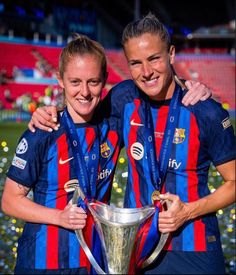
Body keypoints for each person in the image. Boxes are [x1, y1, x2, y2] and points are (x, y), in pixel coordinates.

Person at [29, 13, 236, 275]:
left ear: (171, 54)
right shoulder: (123, 98)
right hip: (138, 249)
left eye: (154, 59)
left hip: (195, 251)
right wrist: (49, 112)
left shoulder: (205, 111)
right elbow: (81, 111)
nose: (146, 72)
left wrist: (188, 211)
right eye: (135, 63)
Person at [1, 34, 123, 274]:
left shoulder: (114, 126)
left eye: (94, 81)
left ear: (105, 80)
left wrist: (189, 86)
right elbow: (9, 201)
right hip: (42, 263)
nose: (85, 92)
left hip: (94, 262)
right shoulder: (43, 131)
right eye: (75, 81)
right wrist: (60, 217)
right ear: (61, 80)